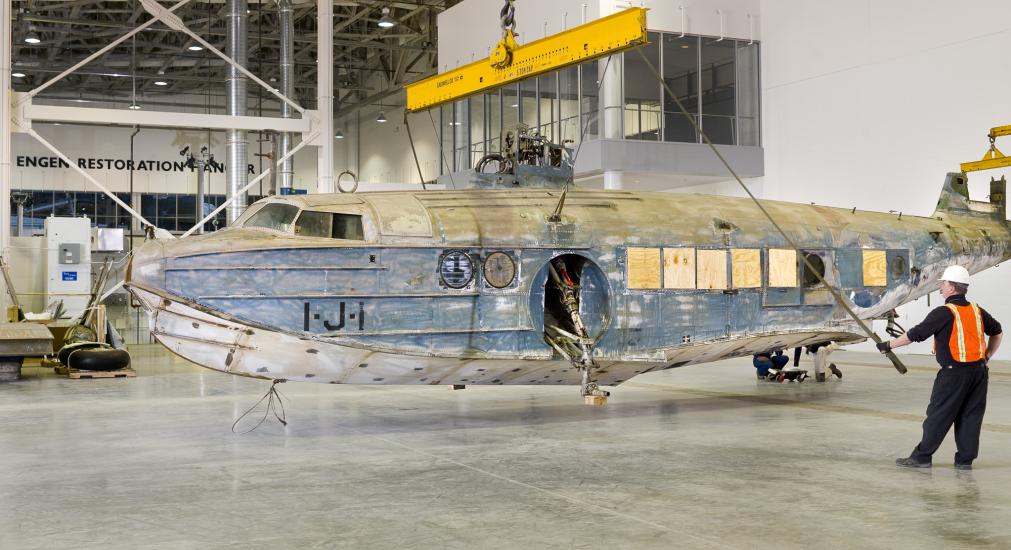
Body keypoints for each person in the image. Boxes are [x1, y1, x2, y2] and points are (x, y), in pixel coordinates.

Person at [877, 265, 1002, 470]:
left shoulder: (944, 312)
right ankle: (965, 461)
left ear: (952, 287)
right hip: (979, 373)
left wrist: (887, 345)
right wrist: (987, 356)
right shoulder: (976, 310)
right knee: (971, 416)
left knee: (939, 414)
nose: (941, 288)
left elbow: (914, 335)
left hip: (954, 374)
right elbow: (997, 332)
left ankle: (922, 457)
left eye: (943, 284)